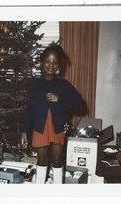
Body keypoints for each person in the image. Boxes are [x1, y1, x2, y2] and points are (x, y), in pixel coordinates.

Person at [20, 45, 84, 184]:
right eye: (48, 61)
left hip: (58, 127)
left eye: (55, 62)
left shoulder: (64, 85)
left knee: (57, 160)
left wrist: (59, 99)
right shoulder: (35, 85)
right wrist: (24, 131)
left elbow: (80, 105)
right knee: (42, 160)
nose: (51, 65)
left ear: (59, 66)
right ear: (42, 62)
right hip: (40, 128)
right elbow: (29, 110)